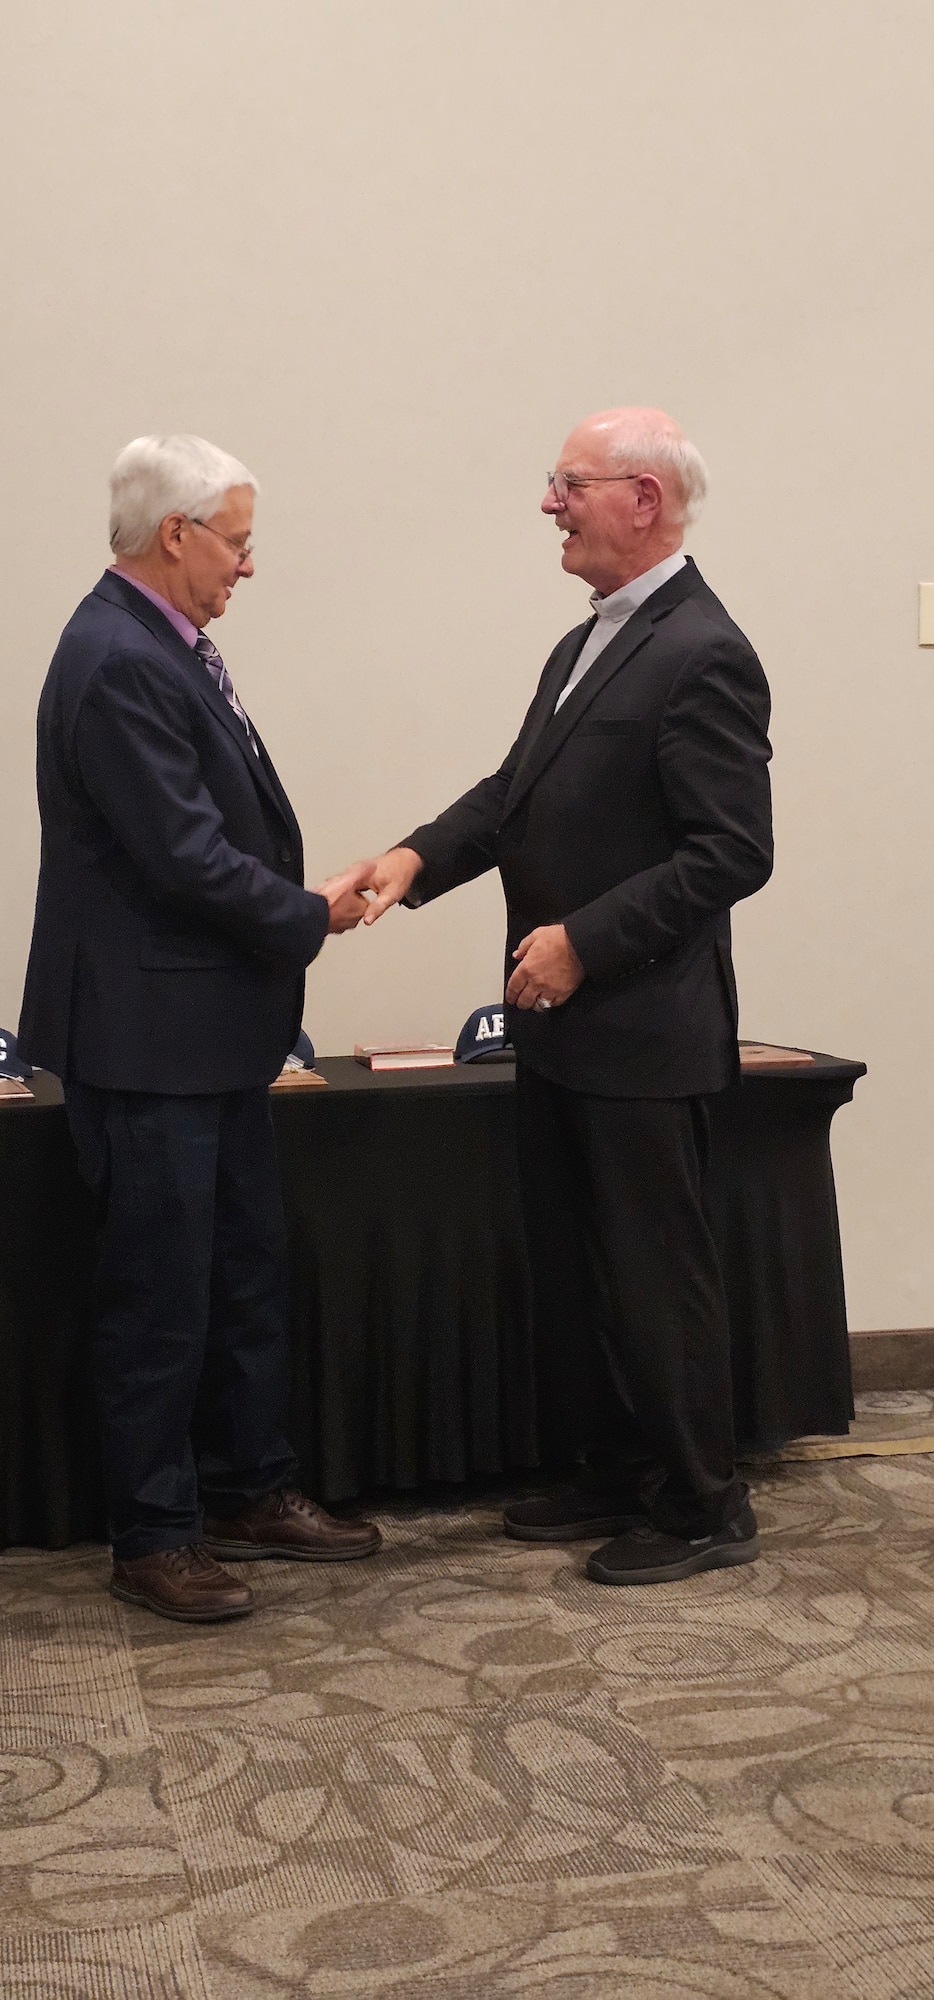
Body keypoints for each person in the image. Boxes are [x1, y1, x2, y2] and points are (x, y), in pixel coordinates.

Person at [359, 407, 773, 1585]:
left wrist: (584, 942)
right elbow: (515, 794)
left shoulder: (704, 648)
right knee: (585, 1269)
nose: (549, 503)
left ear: (642, 499)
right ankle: (619, 1467)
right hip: (567, 1032)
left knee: (655, 1272)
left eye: (568, 483)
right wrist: (411, 859)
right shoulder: (589, 640)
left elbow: (730, 851)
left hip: (642, 1029)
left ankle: (702, 1504)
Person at [18, 434, 381, 1623]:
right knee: (160, 1292)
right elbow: (181, 855)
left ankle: (245, 1487)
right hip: (145, 1039)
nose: (249, 564)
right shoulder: (118, 657)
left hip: (203, 1035)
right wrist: (306, 911)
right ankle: (155, 1533)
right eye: (238, 539)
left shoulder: (162, 646)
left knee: (239, 1275)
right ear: (175, 534)